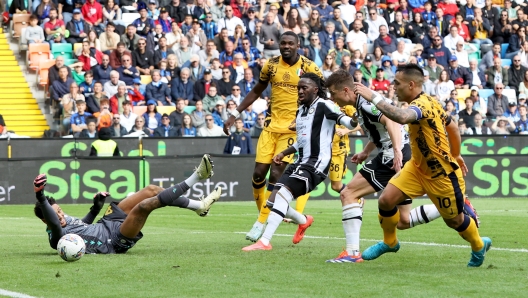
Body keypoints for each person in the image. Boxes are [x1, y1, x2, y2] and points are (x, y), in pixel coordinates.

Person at [352, 64, 491, 267]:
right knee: (386, 201)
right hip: (416, 169)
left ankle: (479, 245)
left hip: (441, 175)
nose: (394, 86)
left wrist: (372, 96)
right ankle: (390, 242)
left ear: (411, 85)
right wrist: (457, 153)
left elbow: (401, 117)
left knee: (455, 221)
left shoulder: (422, 106)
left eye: (397, 83)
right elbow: (451, 125)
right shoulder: (431, 102)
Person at [223, 32, 323, 242]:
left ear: (298, 45)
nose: (286, 46)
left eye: (290, 43)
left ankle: (261, 222)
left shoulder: (310, 67)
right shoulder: (270, 65)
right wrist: (235, 114)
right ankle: (294, 218)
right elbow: (257, 90)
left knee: (276, 175)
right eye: (283, 43)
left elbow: (322, 94)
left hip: (292, 129)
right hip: (270, 127)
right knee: (259, 174)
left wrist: (308, 118)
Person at [242, 73, 358, 251]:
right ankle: (304, 221)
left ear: (316, 90)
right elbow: (302, 140)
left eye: (304, 88)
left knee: (282, 196)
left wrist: (357, 117)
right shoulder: (301, 110)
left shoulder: (325, 105)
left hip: (315, 165)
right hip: (299, 162)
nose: (300, 91)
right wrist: (284, 153)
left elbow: (347, 123)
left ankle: (264, 241)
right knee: (272, 201)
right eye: (298, 88)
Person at [32, 155, 221, 254]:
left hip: (106, 222)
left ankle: (199, 206)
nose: (60, 215)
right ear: (45, 221)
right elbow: (55, 224)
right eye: (54, 214)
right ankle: (196, 177)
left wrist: (95, 208)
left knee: (151, 190)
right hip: (113, 240)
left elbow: (84, 227)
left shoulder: (67, 224)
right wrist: (40, 197)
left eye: (60, 210)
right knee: (144, 206)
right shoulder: (55, 238)